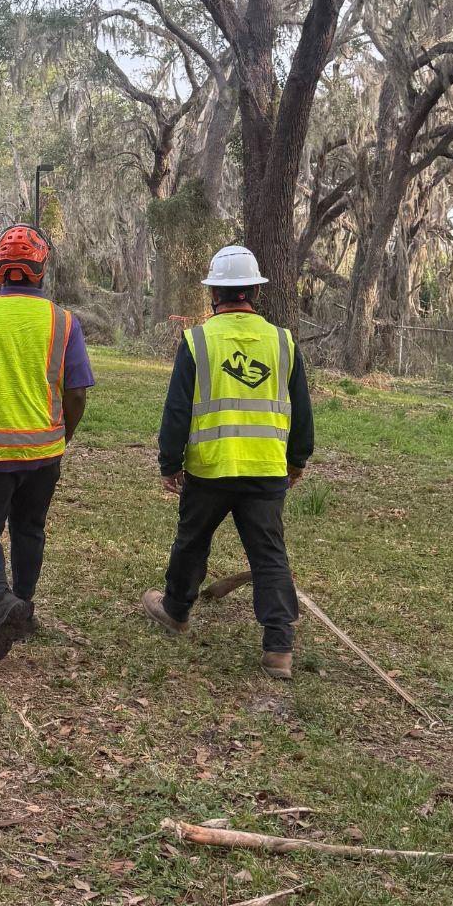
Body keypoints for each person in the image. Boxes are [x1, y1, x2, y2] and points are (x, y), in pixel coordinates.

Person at [141, 244, 314, 678]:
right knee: (269, 556)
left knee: (192, 541)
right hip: (266, 469)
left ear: (213, 293)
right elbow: (302, 409)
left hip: (209, 468)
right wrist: (297, 461)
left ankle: (177, 609)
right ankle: (279, 649)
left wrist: (169, 463)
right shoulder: (282, 341)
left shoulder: (198, 340)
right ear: (255, 289)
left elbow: (177, 410)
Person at [0, 225, 94, 663]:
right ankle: (23, 605)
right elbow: (78, 393)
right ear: (41, 270)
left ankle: (0, 600)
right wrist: (62, 437)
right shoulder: (64, 322)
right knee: (30, 528)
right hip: (44, 451)